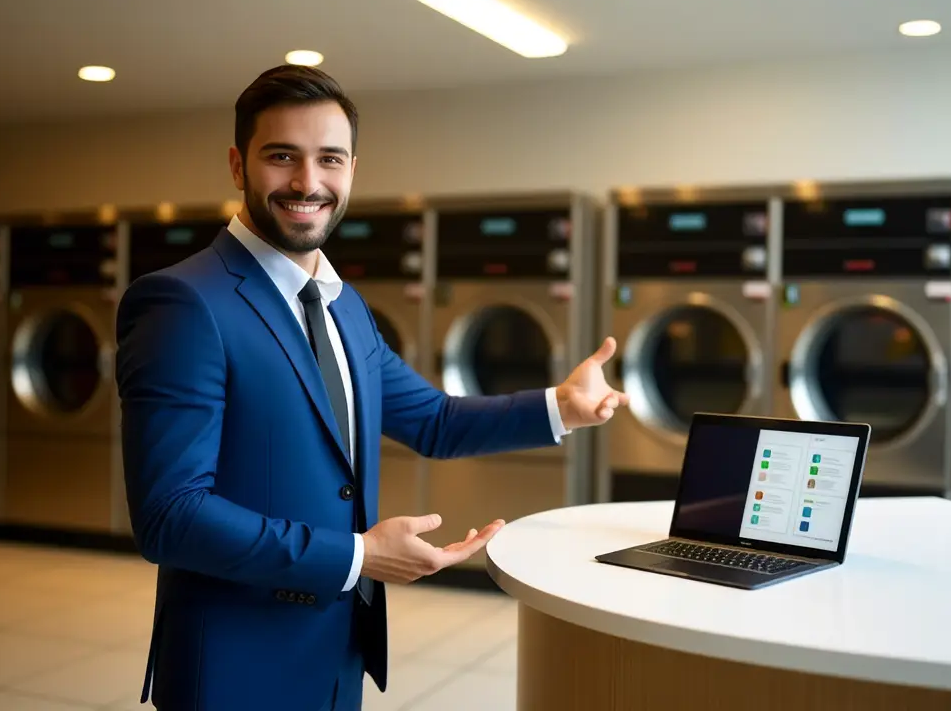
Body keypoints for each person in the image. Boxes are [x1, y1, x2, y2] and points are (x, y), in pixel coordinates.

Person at [115, 63, 629, 711]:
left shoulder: (342, 304)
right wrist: (357, 557)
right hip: (238, 663)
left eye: (329, 159)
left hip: (337, 649)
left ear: (353, 168)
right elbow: (170, 517)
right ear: (238, 166)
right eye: (282, 157)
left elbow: (433, 420)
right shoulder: (184, 302)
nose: (308, 182)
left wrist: (561, 406)